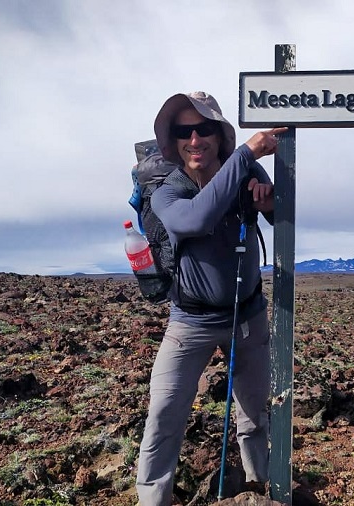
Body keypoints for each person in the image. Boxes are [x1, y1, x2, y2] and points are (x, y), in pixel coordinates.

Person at [135, 91, 287, 505]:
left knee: (255, 415)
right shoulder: (167, 191)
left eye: (204, 129)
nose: (195, 139)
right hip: (189, 324)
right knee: (165, 416)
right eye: (184, 131)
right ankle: (152, 500)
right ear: (174, 141)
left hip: (248, 316)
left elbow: (283, 212)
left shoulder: (245, 170)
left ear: (218, 135)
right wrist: (245, 154)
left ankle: (258, 490)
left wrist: (268, 199)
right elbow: (196, 218)